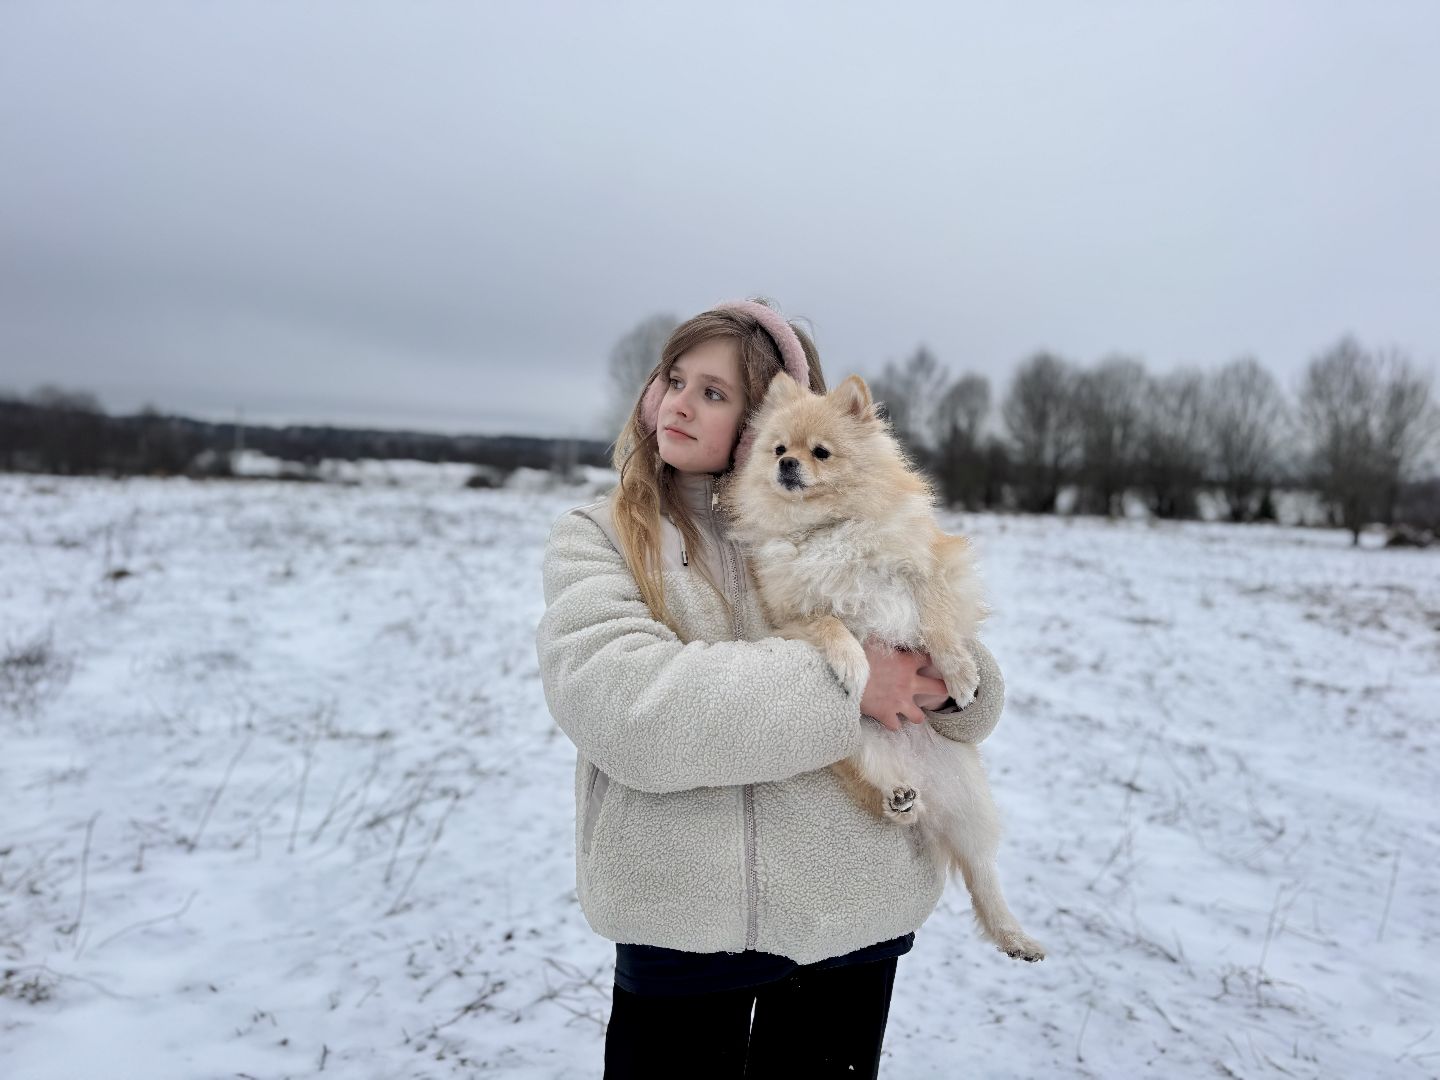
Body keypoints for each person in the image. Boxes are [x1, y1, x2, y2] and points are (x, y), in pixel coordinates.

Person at [535, 298, 1007, 1078]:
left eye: (714, 393)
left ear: (765, 418)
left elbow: (969, 692)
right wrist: (847, 687)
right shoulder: (601, 538)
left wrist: (952, 685)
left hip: (854, 913)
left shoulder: (835, 521)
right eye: (673, 379)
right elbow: (632, 710)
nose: (679, 403)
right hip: (683, 924)